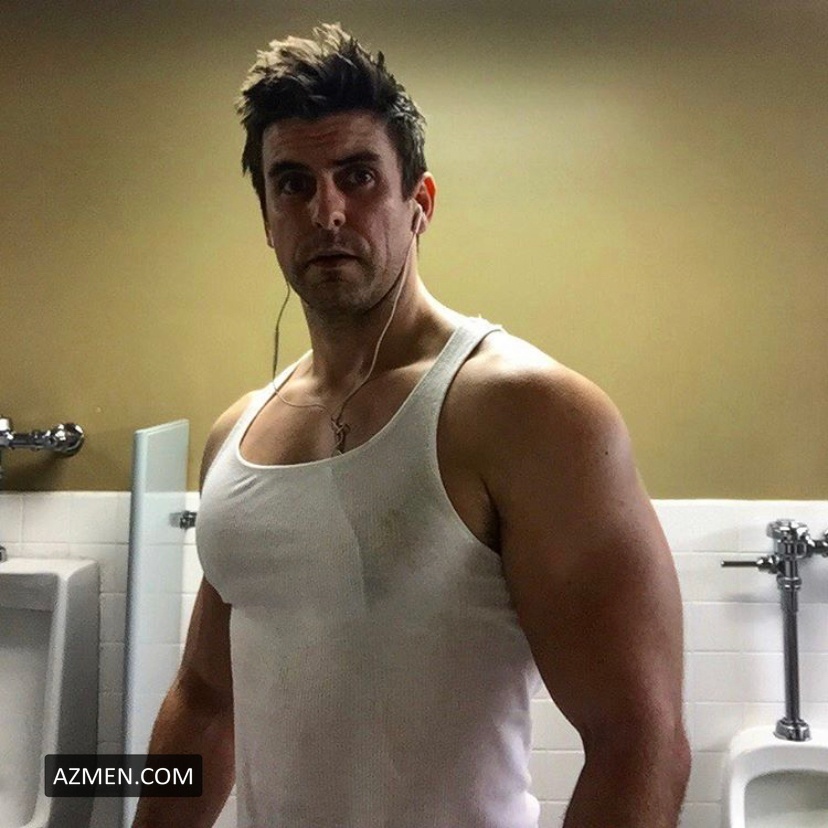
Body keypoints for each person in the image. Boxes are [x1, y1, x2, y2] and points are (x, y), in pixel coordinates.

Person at [133, 22, 690, 828]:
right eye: (293, 184)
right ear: (266, 219)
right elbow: (204, 703)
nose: (327, 211)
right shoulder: (237, 437)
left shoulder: (526, 411)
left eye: (358, 177)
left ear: (419, 203)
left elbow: (639, 738)